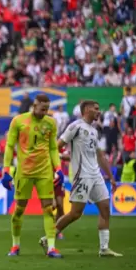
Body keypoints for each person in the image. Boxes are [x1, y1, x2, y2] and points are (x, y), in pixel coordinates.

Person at [45, 100, 122, 257]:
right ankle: (48, 238)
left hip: (96, 175)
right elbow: (57, 146)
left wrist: (111, 177)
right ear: (87, 110)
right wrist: (55, 163)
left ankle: (104, 248)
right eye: (96, 109)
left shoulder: (94, 131)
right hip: (82, 176)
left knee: (105, 208)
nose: (99, 112)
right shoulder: (75, 127)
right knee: (75, 213)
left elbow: (100, 155)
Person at [1, 94, 63, 258]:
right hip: (24, 173)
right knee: (19, 210)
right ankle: (15, 245)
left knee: (49, 210)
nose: (45, 112)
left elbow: (53, 148)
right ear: (34, 106)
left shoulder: (51, 123)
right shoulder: (19, 121)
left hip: (44, 172)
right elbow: (9, 146)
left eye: (47, 109)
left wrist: (58, 168)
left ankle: (51, 247)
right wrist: (6, 170)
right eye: (42, 109)